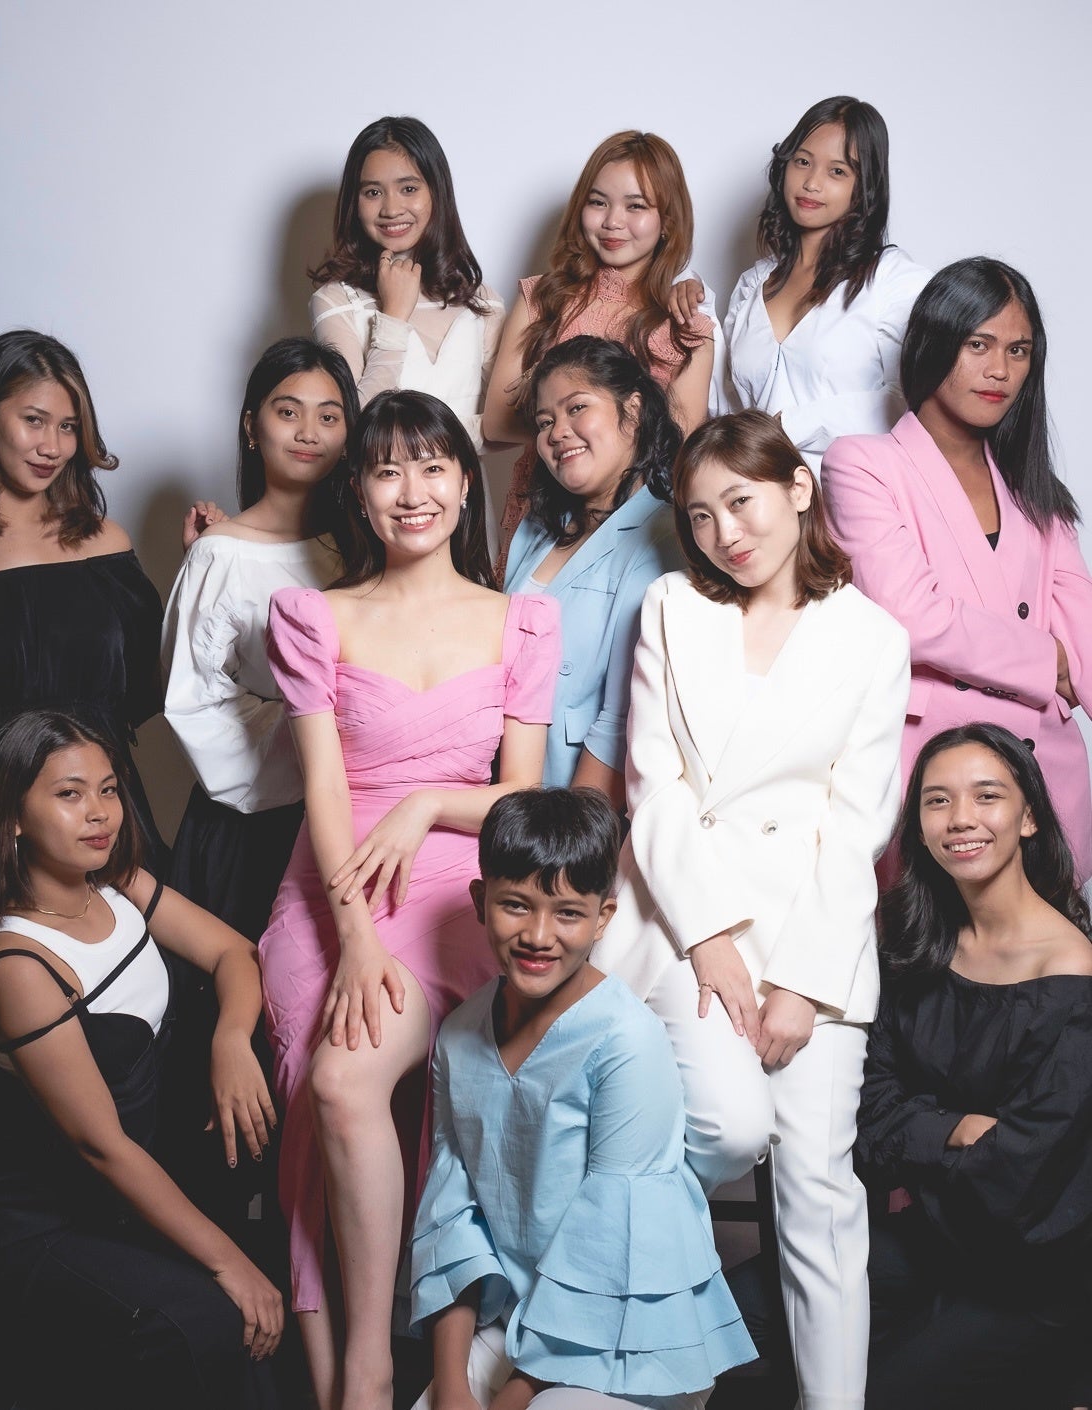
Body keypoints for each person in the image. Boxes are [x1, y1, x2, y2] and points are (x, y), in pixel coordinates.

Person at [594, 409, 911, 1410]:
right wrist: (711, 941)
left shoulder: (873, 638)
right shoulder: (672, 608)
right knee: (726, 1129)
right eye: (699, 515)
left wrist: (801, 985)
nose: (724, 532)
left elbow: (856, 826)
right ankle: (640, 1355)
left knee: (820, 1192)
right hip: (684, 926)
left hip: (817, 934)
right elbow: (655, 788)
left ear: (798, 489)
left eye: (741, 501)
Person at [257, 389, 560, 1410]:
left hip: (454, 884)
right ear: (359, 491)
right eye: (387, 470)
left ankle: (372, 1364)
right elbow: (324, 789)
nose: (412, 490)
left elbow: (521, 794)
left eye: (432, 466)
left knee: (348, 1080)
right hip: (334, 882)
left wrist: (428, 803)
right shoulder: (315, 616)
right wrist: (352, 938)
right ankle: (355, 1370)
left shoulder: (522, 620)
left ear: (466, 482)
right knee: (328, 1089)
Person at [0, 711, 284, 1410]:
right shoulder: (18, 962)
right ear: (13, 816)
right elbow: (101, 1146)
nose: (99, 812)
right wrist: (230, 1264)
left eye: (108, 789)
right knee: (216, 1315)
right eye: (69, 793)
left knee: (260, 1292)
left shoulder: (117, 882)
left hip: (136, 1181)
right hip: (43, 1220)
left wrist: (230, 1040)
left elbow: (234, 953)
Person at [410, 786, 756, 1410]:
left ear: (603, 918)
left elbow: (609, 1248)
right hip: (517, 1317)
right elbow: (453, 1218)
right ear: (480, 901)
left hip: (630, 1335)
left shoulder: (626, 1039)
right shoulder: (458, 1035)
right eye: (516, 905)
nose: (539, 935)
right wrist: (452, 1386)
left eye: (568, 913)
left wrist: (511, 1399)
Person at [822, 256, 1092, 882]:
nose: (1000, 370)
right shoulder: (863, 464)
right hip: (937, 778)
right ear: (934, 342)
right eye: (979, 345)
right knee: (933, 942)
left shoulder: (1036, 490)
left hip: (1046, 784)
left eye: (1019, 351)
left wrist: (1067, 661)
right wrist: (1046, 661)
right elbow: (913, 617)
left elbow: (1082, 632)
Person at [856, 723, 1092, 1410]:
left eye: (986, 796)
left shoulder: (1075, 977)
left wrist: (916, 1132)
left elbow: (1022, 1182)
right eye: (937, 800)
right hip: (929, 1242)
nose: (960, 818)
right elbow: (866, 1116)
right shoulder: (917, 944)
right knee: (742, 1316)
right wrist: (956, 1129)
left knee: (866, 1397)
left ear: (1029, 817)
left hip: (1030, 1281)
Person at [162, 337, 357, 940]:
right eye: (288, 411)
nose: (309, 432)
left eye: (329, 416)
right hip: (254, 828)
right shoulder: (220, 555)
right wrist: (318, 738)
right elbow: (193, 702)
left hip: (358, 816)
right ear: (252, 427)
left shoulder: (365, 546)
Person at [0, 330, 164, 876]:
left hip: (95, 823)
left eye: (68, 427)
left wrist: (203, 577)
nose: (52, 447)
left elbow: (147, 686)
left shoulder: (105, 545)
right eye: (34, 420)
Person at [483, 130, 714, 568]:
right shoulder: (541, 299)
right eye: (598, 202)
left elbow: (681, 443)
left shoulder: (683, 323)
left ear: (668, 220)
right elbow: (496, 420)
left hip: (638, 523)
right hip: (541, 510)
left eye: (636, 206)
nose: (612, 222)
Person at [675, 96, 929, 472]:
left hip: (854, 493)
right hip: (756, 494)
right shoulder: (753, 284)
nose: (811, 183)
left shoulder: (895, 282)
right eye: (803, 161)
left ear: (865, 186)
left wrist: (786, 427)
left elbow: (908, 400)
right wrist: (694, 303)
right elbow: (727, 407)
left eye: (837, 171)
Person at [502, 336, 683, 804]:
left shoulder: (664, 534)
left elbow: (624, 719)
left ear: (633, 410)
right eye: (545, 422)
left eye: (576, 407)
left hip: (570, 804)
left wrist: (573, 832)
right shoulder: (535, 529)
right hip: (499, 785)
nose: (557, 432)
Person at [309, 115, 503, 451]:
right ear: (355, 202)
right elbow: (353, 428)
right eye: (373, 192)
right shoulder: (336, 301)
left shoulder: (482, 301)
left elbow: (510, 424)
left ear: (437, 193)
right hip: (378, 486)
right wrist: (394, 315)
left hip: (466, 486)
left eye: (409, 189)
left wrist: (426, 443)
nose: (391, 208)